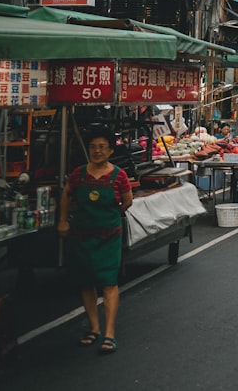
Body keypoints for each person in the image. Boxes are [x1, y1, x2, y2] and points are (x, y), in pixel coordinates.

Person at [58, 131, 133, 354]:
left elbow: (127, 201)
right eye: (93, 146)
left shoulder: (119, 176)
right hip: (82, 236)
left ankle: (109, 334)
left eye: (102, 146)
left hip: (109, 237)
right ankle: (94, 328)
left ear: (110, 150)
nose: (97, 151)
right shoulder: (78, 174)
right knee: (86, 281)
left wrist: (109, 216)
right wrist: (63, 221)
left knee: (109, 282)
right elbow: (66, 195)